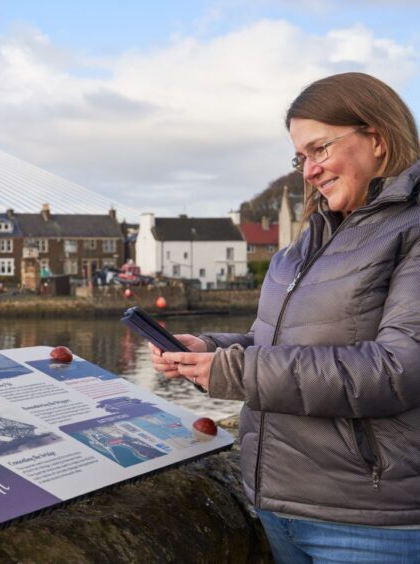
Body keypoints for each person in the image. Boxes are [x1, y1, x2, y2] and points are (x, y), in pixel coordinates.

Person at [150, 72, 420, 562]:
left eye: (320, 149)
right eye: (300, 158)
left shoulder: (413, 230)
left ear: (376, 140)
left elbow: (396, 369)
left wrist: (235, 371)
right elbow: (275, 342)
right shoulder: (306, 243)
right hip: (276, 508)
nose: (309, 170)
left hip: (370, 523)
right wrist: (210, 350)